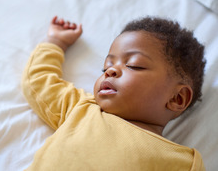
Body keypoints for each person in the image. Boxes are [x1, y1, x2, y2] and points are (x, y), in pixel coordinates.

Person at [22, 16, 206, 170]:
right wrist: (56, 42)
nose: (110, 71)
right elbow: (40, 81)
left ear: (177, 98)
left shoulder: (183, 162)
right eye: (105, 68)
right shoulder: (83, 109)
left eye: (134, 65)